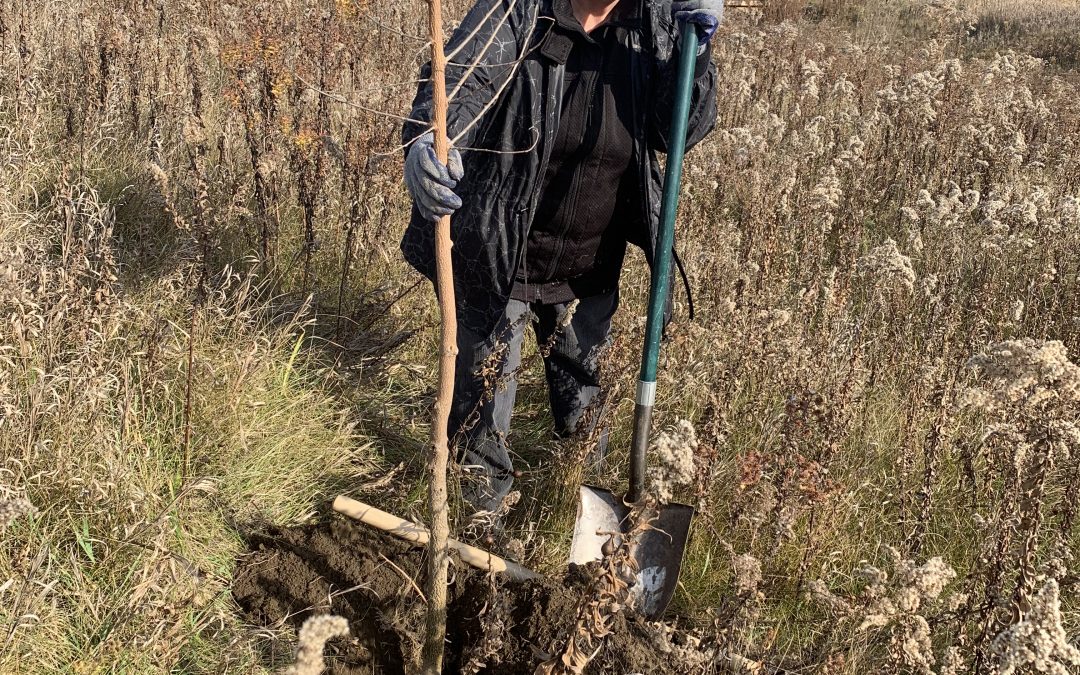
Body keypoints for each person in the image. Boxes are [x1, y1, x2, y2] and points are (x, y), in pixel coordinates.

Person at [401, 0, 722, 514]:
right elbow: (461, 81)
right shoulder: (521, 9)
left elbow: (676, 131)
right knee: (482, 416)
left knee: (586, 416)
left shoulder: (657, 23)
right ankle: (481, 539)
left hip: (589, 268)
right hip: (500, 259)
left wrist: (697, 55)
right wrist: (425, 142)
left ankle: (579, 535)